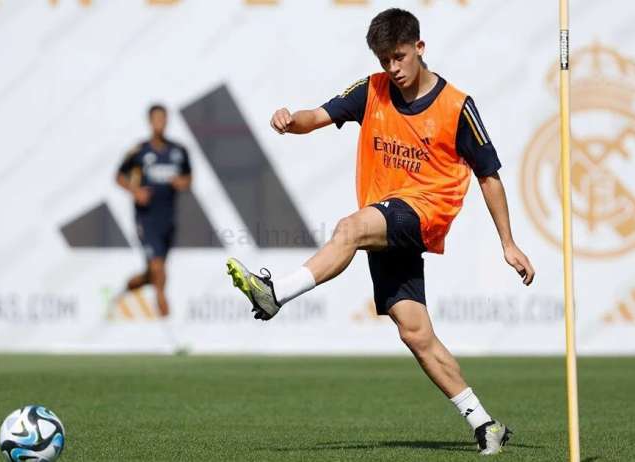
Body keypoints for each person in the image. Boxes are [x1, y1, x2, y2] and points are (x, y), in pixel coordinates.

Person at [226, 8, 534, 455]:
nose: (393, 68)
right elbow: (319, 115)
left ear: (419, 48)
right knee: (415, 333)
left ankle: (276, 293)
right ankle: (485, 423)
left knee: (349, 228)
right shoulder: (372, 89)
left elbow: (489, 175)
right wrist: (291, 121)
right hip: (388, 219)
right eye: (384, 59)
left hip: (426, 210)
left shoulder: (457, 106)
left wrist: (508, 243)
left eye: (399, 57)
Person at [115, 104, 192, 326]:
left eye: (163, 119)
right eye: (156, 119)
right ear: (150, 122)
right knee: (159, 268)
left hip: (168, 217)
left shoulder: (178, 151)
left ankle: (132, 285)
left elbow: (188, 179)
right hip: (146, 218)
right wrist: (135, 191)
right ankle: (165, 315)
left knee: (154, 272)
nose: (160, 123)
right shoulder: (139, 151)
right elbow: (119, 176)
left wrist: (181, 182)